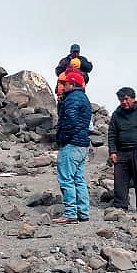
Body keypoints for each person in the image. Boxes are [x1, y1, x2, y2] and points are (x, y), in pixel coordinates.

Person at [108, 87, 137, 213]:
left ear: (133, 99)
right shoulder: (116, 114)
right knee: (120, 181)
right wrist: (112, 152)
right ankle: (120, 206)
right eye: (121, 99)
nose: (123, 102)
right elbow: (112, 134)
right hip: (122, 152)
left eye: (126, 99)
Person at [54, 69, 92, 224]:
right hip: (83, 144)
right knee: (79, 179)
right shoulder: (84, 98)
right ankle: (83, 212)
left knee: (66, 179)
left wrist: (64, 138)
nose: (63, 86)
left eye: (65, 83)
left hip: (71, 144)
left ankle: (70, 213)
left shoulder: (71, 99)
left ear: (72, 84)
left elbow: (69, 119)